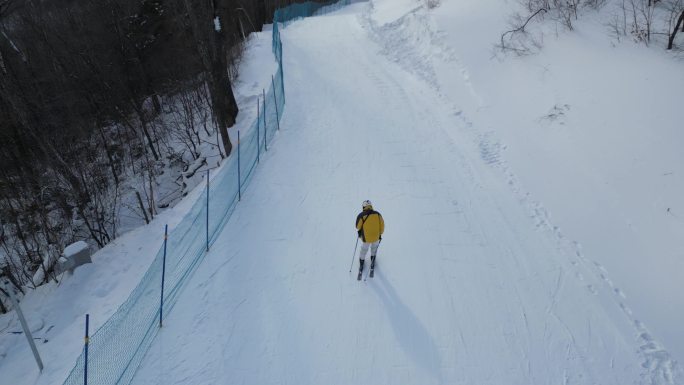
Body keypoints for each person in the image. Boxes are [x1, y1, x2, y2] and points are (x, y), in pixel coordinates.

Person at [356, 200, 384, 275]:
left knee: (364, 249)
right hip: (376, 237)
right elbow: (382, 226)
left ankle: (362, 262)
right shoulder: (378, 214)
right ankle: (372, 260)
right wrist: (380, 234)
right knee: (374, 248)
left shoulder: (361, 215)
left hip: (366, 238)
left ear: (364, 206)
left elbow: (357, 226)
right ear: (371, 206)